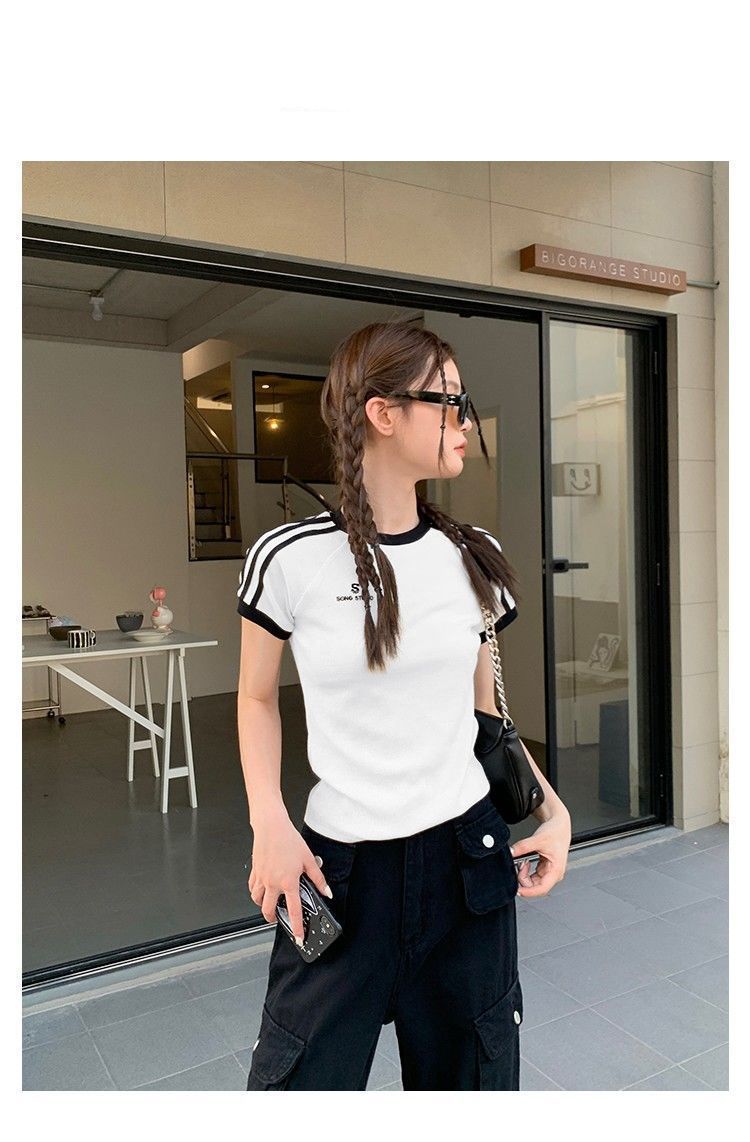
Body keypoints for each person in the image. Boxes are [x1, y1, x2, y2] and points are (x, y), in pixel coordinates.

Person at [236, 321, 572, 1090]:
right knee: (298, 1089)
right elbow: (255, 698)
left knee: (472, 1089)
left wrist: (554, 814)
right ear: (383, 413)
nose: (467, 420)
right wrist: (269, 824)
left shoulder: (472, 555)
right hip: (340, 874)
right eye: (449, 400)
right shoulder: (288, 558)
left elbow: (487, 721)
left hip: (467, 866)